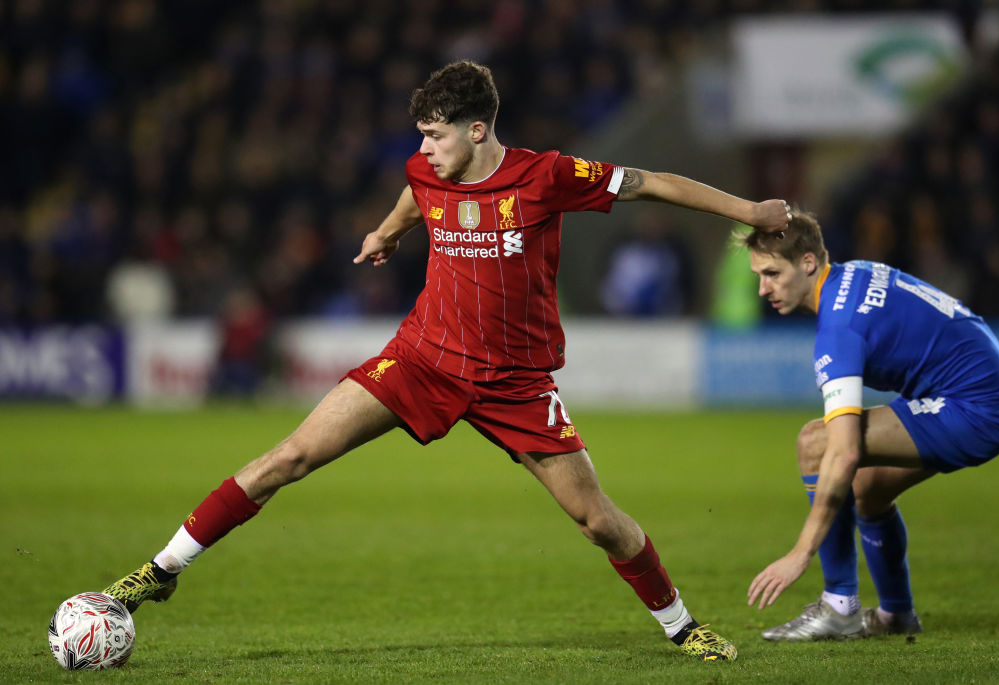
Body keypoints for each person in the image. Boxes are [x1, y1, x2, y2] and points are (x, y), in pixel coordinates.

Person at [102, 60, 790, 662]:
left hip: (515, 381)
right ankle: (160, 569)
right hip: (423, 357)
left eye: (435, 134)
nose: (423, 149)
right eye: (421, 135)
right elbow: (413, 195)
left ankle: (681, 625)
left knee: (596, 519)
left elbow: (655, 182)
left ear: (477, 131)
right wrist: (384, 232)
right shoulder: (423, 172)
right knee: (289, 457)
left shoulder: (546, 177)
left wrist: (750, 208)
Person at [742, 210, 999, 641]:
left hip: (976, 406)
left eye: (773, 273)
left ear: (809, 263)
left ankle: (839, 606)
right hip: (992, 390)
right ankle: (897, 616)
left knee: (816, 443)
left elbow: (843, 451)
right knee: (868, 489)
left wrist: (801, 553)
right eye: (760, 276)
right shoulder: (854, 274)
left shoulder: (839, 328)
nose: (764, 288)